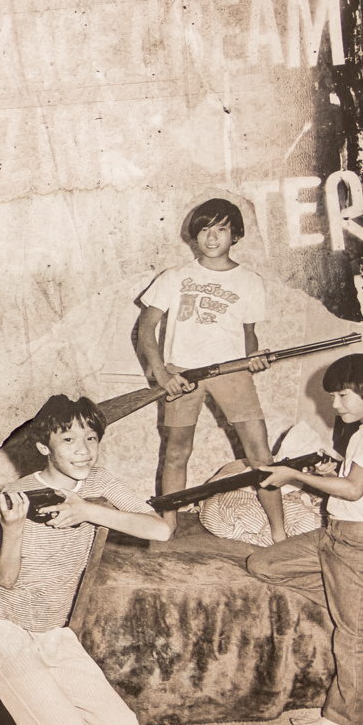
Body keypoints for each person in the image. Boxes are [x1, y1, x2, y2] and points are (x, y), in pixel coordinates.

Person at [0, 395, 174, 725]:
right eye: (69, 439)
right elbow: (3, 581)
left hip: (51, 631)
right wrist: (14, 530)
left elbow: (160, 528)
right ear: (45, 445)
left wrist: (88, 510)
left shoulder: (100, 481)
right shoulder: (16, 493)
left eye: (91, 437)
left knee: (121, 723)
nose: (84, 449)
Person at [136, 198, 282, 539]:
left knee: (260, 452)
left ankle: (279, 533)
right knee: (176, 451)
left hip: (232, 371)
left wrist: (254, 359)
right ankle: (167, 527)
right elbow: (146, 328)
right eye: (204, 229)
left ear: (236, 234)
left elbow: (248, 334)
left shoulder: (250, 281)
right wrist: (162, 374)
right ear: (193, 235)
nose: (212, 237)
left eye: (221, 229)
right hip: (182, 375)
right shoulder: (174, 277)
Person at [245, 354, 363, 725]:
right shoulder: (358, 435)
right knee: (264, 563)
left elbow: (354, 490)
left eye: (343, 395)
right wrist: (335, 470)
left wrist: (296, 475)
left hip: (352, 538)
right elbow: (352, 480)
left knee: (352, 633)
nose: (335, 404)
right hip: (334, 534)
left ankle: (343, 720)